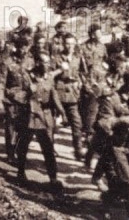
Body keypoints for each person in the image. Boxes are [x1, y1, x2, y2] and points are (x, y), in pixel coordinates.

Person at [95, 61, 129, 220]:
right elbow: (103, 122)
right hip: (116, 147)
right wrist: (122, 121)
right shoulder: (112, 98)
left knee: (121, 184)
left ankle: (106, 200)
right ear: (128, 83)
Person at [14, 52, 64, 191]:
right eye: (44, 62)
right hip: (28, 117)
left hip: (43, 118)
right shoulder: (26, 77)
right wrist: (28, 93)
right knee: (23, 146)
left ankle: (53, 179)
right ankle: (20, 173)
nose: (47, 65)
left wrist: (62, 112)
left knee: (48, 148)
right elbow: (15, 93)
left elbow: (54, 96)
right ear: (37, 63)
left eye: (48, 62)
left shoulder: (49, 78)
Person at [52, 33, 85, 160]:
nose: (70, 46)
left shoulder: (78, 58)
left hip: (72, 93)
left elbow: (82, 73)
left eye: (72, 43)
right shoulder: (56, 58)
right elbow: (51, 74)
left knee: (77, 123)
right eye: (67, 43)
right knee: (53, 123)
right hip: (59, 92)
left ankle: (78, 149)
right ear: (63, 44)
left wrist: (80, 82)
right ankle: (51, 148)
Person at [79, 23, 108, 145]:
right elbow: (79, 66)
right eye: (97, 32)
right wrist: (83, 81)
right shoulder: (82, 47)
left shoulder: (102, 47)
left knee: (98, 108)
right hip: (87, 81)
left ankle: (92, 133)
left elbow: (105, 61)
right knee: (88, 109)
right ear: (91, 34)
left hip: (100, 80)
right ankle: (87, 133)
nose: (100, 34)